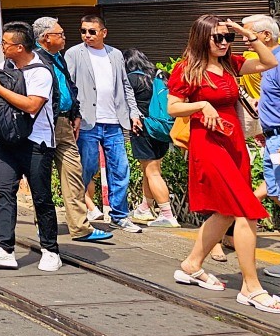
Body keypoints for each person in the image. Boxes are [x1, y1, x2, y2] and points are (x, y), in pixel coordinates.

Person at [168, 15, 280, 314]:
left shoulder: (231, 63)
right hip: (208, 144)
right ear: (201, 38)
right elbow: (172, 107)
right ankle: (251, 287)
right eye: (217, 38)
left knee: (226, 210)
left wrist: (248, 34)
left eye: (226, 38)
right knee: (246, 210)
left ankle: (192, 264)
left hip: (233, 143)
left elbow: (270, 62)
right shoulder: (187, 68)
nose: (223, 43)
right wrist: (201, 104)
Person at [0, 22, 62, 271]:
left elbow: (32, 105)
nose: (2, 47)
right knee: (4, 191)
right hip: (8, 140)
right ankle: (4, 248)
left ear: (20, 47)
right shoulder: (5, 66)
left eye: (6, 43)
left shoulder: (40, 72)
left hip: (38, 142)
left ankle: (50, 249)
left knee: (41, 196)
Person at [33, 17, 112, 244]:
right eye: (60, 34)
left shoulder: (58, 57)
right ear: (46, 38)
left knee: (74, 174)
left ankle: (80, 227)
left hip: (64, 122)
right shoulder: (34, 58)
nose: (65, 37)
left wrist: (75, 113)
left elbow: (69, 87)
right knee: (42, 177)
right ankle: (45, 227)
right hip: (43, 124)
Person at [65, 15, 143, 233]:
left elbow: (125, 86)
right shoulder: (74, 53)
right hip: (88, 120)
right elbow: (69, 86)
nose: (87, 35)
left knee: (120, 168)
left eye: (92, 31)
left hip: (114, 121)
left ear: (103, 32)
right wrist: (73, 114)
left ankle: (120, 215)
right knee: (86, 169)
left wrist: (133, 113)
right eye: (83, 31)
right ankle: (79, 213)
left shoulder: (115, 54)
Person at [243, 14, 280, 281]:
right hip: (275, 138)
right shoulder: (271, 63)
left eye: (248, 36)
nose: (245, 41)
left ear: (265, 36)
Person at [122, 48, 179, 228]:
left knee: (152, 172)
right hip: (162, 130)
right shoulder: (160, 76)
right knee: (152, 170)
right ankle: (145, 208)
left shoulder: (132, 79)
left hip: (143, 129)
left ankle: (167, 214)